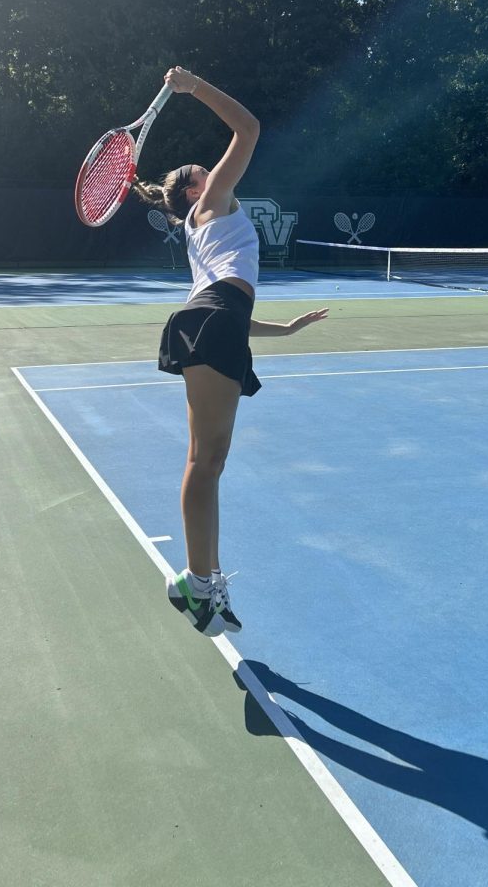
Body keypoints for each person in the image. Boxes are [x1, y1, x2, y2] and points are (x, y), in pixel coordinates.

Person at [132, 67, 327, 638]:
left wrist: (284, 331)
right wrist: (196, 89)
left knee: (208, 461)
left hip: (210, 322)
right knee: (205, 461)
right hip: (213, 321)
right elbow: (249, 127)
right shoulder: (213, 198)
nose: (209, 168)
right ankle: (197, 581)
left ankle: (206, 581)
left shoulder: (199, 224)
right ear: (197, 188)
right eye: (201, 169)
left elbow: (226, 303)